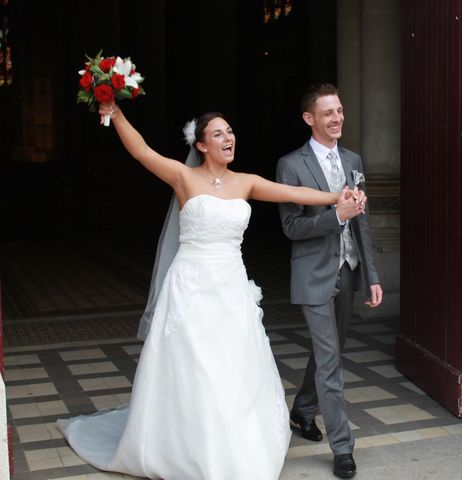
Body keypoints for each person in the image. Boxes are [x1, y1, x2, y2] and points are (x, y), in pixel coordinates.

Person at [57, 102, 367, 480]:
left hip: (231, 287)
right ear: (201, 145)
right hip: (190, 288)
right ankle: (188, 445)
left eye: (230, 132)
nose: (228, 138)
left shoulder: (246, 181)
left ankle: (234, 443)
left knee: (233, 366)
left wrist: (337, 199)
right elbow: (141, 150)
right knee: (195, 367)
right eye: (218, 133)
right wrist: (116, 113)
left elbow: (295, 192)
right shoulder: (183, 178)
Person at [276, 83, 383, 479]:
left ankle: (303, 411)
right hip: (313, 273)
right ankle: (343, 448)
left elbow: (363, 222)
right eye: (328, 113)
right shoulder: (291, 164)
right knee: (331, 361)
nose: (337, 118)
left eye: (339, 110)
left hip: (349, 270)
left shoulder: (354, 158)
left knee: (329, 351)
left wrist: (371, 274)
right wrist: (336, 215)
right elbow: (290, 226)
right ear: (309, 119)